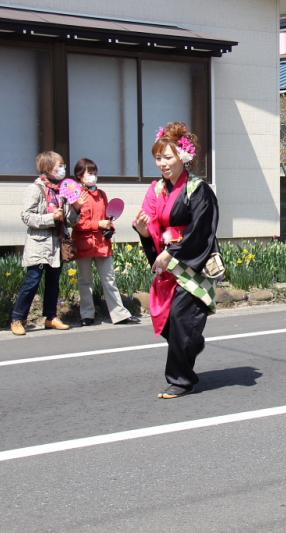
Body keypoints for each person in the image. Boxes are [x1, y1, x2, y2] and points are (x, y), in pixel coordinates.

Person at [133, 122, 219, 399]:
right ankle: (193, 343)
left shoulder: (198, 189)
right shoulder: (156, 190)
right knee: (169, 322)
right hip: (166, 264)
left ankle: (181, 380)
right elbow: (150, 223)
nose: (162, 163)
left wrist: (173, 252)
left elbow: (201, 229)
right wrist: (145, 232)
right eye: (158, 158)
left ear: (183, 156)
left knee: (183, 319)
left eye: (168, 157)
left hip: (190, 265)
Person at [10, 151, 84, 336]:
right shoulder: (35, 189)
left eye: (63, 165)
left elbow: (69, 220)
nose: (62, 169)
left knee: (54, 282)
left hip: (57, 243)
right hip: (39, 242)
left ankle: (51, 317)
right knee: (32, 281)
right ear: (48, 168)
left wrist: (76, 209)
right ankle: (17, 318)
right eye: (59, 165)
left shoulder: (62, 190)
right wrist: (51, 217)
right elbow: (26, 216)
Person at [71, 158, 140, 326]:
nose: (93, 176)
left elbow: (108, 217)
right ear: (80, 176)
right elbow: (75, 222)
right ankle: (87, 314)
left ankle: (119, 314)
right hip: (84, 243)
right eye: (90, 173)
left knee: (109, 279)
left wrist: (110, 227)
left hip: (102, 243)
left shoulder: (101, 194)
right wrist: (97, 224)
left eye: (94, 172)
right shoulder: (76, 196)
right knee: (85, 281)